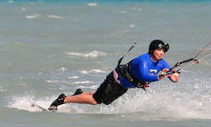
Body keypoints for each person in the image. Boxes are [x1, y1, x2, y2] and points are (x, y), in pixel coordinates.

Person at [48, 39, 180, 111]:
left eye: (163, 50)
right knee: (95, 101)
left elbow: (174, 79)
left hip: (124, 85)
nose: (161, 53)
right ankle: (62, 100)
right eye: (159, 50)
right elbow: (145, 76)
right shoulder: (143, 60)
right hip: (116, 80)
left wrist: (171, 74)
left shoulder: (162, 63)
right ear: (152, 50)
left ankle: (79, 94)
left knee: (104, 101)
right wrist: (161, 76)